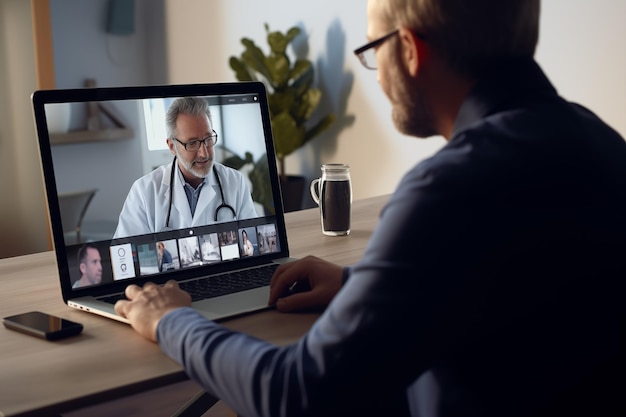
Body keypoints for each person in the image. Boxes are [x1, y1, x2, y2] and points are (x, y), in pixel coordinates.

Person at [114, 1, 626, 416]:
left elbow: (296, 394)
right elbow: (509, 282)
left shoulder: (447, 189)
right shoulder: (602, 143)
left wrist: (171, 321)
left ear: (408, 50)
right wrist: (361, 284)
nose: (376, 76)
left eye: (371, 50)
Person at [113, 97, 258, 238]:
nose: (204, 153)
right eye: (192, 143)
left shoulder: (235, 182)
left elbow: (254, 243)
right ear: (172, 146)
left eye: (208, 139)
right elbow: (127, 255)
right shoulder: (144, 192)